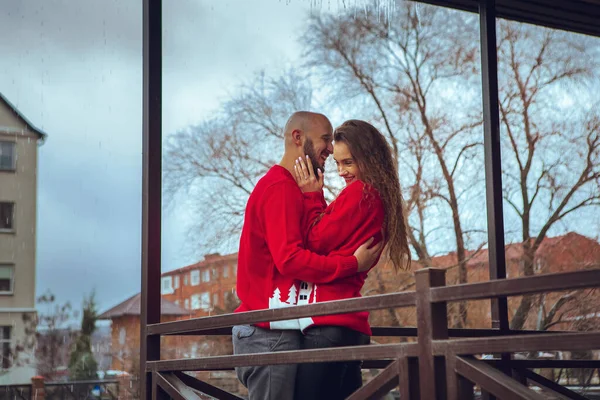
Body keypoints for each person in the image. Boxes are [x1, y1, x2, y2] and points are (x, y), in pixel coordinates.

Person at [232, 112, 384, 400]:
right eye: (325, 140)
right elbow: (291, 259)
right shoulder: (280, 187)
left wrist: (315, 198)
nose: (329, 148)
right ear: (298, 138)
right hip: (268, 332)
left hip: (281, 327)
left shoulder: (294, 189)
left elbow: (319, 237)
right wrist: (352, 264)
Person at [292, 119, 411, 400]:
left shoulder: (361, 193)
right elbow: (331, 236)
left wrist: (311, 196)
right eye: (338, 163)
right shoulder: (379, 197)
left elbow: (314, 240)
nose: (342, 171)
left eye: (349, 163)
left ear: (369, 159)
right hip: (348, 324)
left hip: (328, 324)